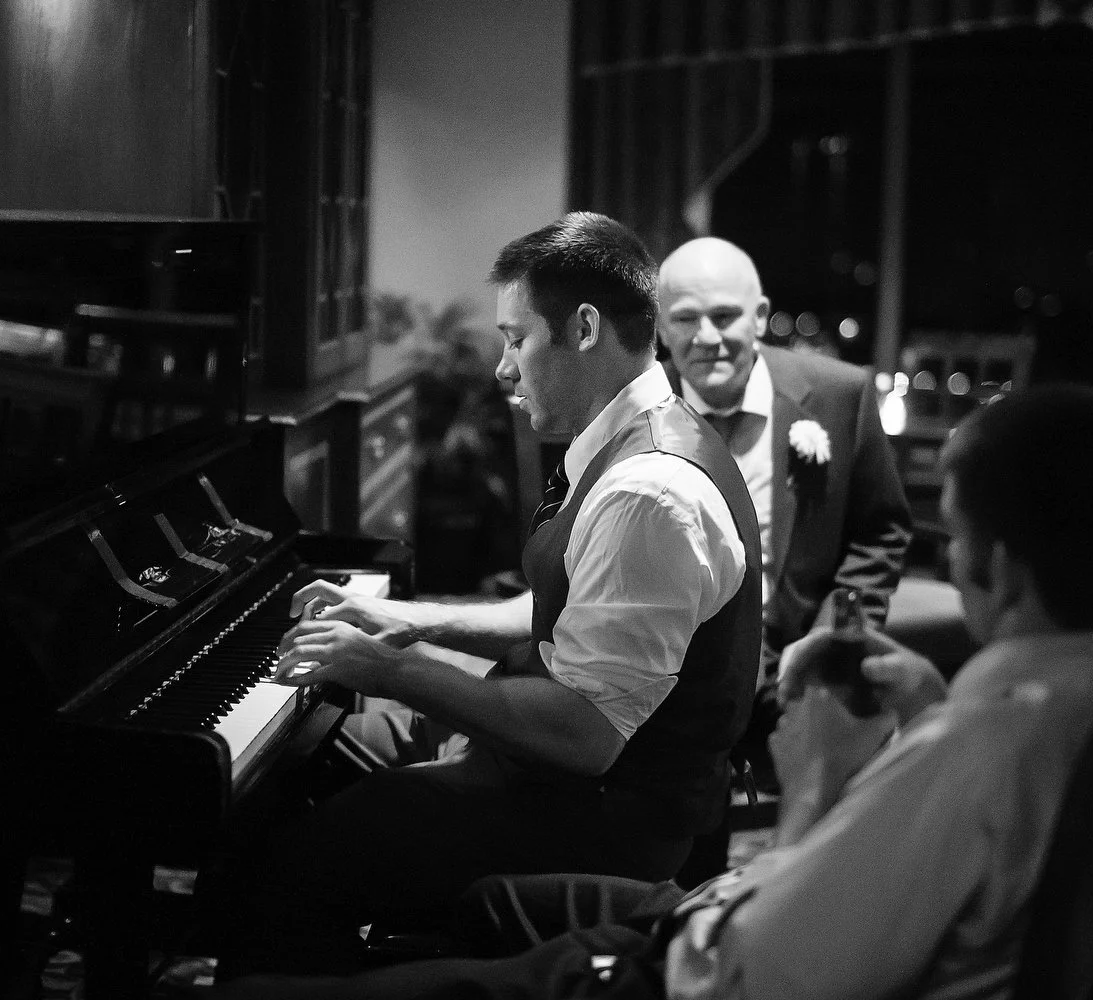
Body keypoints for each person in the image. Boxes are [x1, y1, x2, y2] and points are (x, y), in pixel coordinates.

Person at [199, 382, 1093, 1000]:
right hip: (721, 901)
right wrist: (929, 706)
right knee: (497, 902)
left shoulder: (979, 754)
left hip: (692, 964)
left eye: (955, 541)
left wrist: (812, 783)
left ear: (1000, 571)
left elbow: (752, 971)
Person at [208, 211, 763, 976]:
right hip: (555, 773)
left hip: (599, 818)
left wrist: (386, 667)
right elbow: (558, 612)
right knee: (313, 755)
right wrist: (396, 619)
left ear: (586, 329)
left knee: (300, 857)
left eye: (516, 338)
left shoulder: (650, 492)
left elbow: (583, 734)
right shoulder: (634, 439)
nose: (502, 367)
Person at [656, 236, 912, 768]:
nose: (707, 338)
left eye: (725, 316)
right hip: (665, 671)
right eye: (685, 319)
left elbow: (880, 533)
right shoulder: (636, 408)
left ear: (759, 316)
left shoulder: (841, 394)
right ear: (659, 326)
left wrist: (828, 643)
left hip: (799, 660)